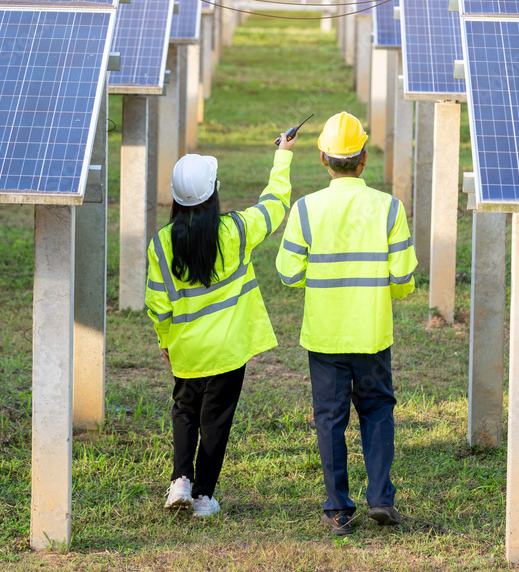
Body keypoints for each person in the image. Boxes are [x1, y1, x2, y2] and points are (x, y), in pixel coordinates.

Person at [275, 111, 417, 536]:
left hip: (324, 335)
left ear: (323, 159)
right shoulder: (390, 208)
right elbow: (404, 279)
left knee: (329, 419)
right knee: (377, 412)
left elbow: (287, 272)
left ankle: (338, 509)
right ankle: (381, 499)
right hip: (372, 332)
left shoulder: (305, 209)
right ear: (363, 158)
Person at [145, 132, 295, 518]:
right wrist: (283, 156)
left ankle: (180, 480)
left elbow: (157, 304)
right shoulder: (237, 231)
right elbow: (275, 205)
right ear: (214, 194)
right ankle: (204, 497)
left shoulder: (161, 244)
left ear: (177, 198)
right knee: (216, 421)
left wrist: (166, 341)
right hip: (229, 351)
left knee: (184, 410)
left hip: (186, 350)